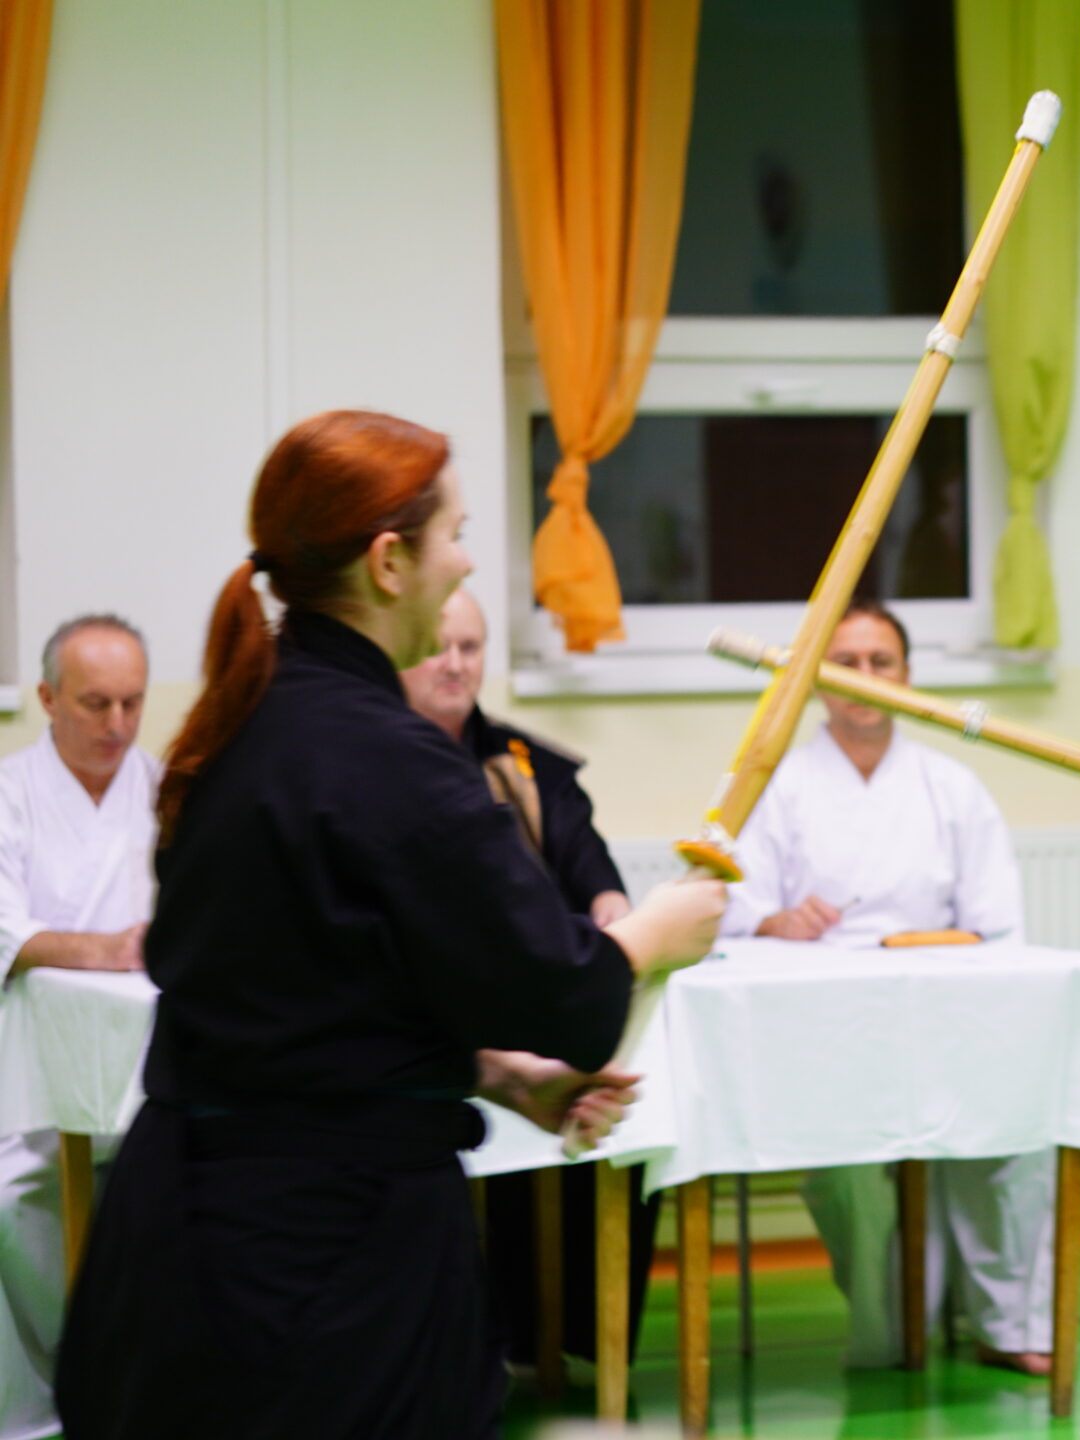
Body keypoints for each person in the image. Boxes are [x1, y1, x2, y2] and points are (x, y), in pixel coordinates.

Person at [53, 410, 726, 1439]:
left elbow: (311, 992)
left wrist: (496, 1075)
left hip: (188, 1232)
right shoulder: (389, 758)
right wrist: (658, 933)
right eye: (455, 534)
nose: (465, 562)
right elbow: (569, 996)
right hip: (323, 1262)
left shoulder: (247, 718)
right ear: (388, 561)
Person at [719, 601, 1051, 1375]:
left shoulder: (953, 787)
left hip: (946, 1019)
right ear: (815, 680)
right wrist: (775, 921)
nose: (865, 677)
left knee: (1016, 1131)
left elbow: (998, 925)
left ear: (908, 677)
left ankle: (1008, 1324)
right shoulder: (776, 785)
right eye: (846, 663)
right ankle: (892, 1325)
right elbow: (732, 912)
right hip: (827, 1035)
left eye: (882, 662)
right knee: (850, 1172)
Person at [400, 586, 653, 1371]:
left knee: (622, 1085)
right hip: (433, 1013)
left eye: (471, 648)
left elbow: (592, 873)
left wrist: (613, 910)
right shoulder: (381, 765)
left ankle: (577, 1339)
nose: (454, 664)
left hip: (531, 999)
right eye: (438, 647)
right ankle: (495, 1340)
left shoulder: (528, 764)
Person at [0, 616, 157, 1440]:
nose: (117, 724)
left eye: (133, 702)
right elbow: (3, 931)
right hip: (26, 1069)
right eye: (96, 703)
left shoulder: (164, 790)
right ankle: (53, 1397)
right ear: (48, 698)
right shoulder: (9, 794)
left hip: (146, 1066)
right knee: (11, 1197)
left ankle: (142, 1388)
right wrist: (107, 949)